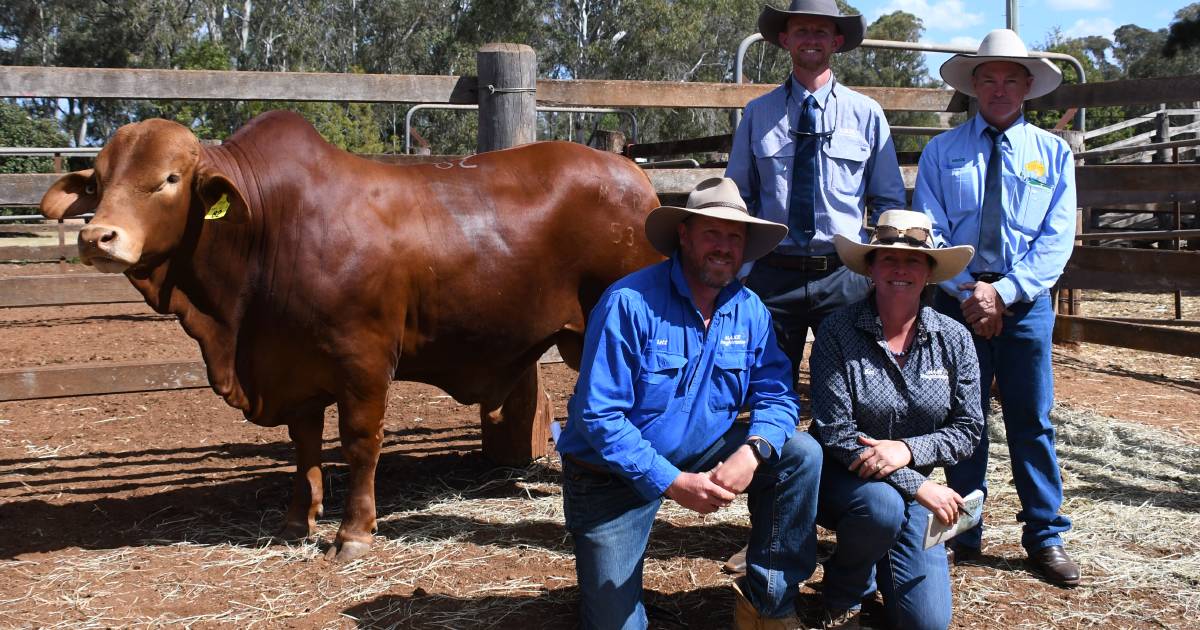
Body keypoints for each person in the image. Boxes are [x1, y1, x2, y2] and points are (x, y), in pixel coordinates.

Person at [556, 177, 823, 630]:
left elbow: (777, 394)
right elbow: (599, 417)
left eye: (734, 237)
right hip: (611, 476)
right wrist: (673, 481)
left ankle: (769, 603)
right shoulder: (629, 303)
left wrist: (752, 449)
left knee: (800, 454)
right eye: (711, 233)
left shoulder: (750, 310)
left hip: (701, 448)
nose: (723, 247)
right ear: (684, 235)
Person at [911, 28, 1080, 586]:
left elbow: (1056, 238)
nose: (1000, 87)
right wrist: (969, 290)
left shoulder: (1053, 153)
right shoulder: (942, 152)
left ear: (1028, 86)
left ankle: (1044, 534)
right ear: (974, 85)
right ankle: (963, 529)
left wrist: (1002, 293)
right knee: (962, 418)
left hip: (1023, 302)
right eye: (990, 77)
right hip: (956, 300)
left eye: (1012, 78)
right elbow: (930, 230)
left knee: (1032, 417)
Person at [810, 210, 983, 630]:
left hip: (914, 494)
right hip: (845, 481)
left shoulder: (954, 336)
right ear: (871, 268)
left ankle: (874, 559)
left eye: (913, 261)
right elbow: (836, 432)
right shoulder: (837, 331)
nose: (900, 269)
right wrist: (919, 483)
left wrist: (908, 450)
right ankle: (846, 592)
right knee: (881, 506)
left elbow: (970, 428)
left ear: (929, 273)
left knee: (928, 623)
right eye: (888, 258)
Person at [726, 0, 906, 388]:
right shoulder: (757, 114)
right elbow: (739, 198)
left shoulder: (866, 114)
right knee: (768, 389)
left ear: (836, 41)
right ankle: (780, 450)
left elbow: (889, 201)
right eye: (802, 31)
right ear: (785, 39)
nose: (811, 39)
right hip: (773, 274)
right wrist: (743, 270)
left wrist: (875, 270)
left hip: (842, 275)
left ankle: (836, 452)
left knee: (847, 390)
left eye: (821, 31)